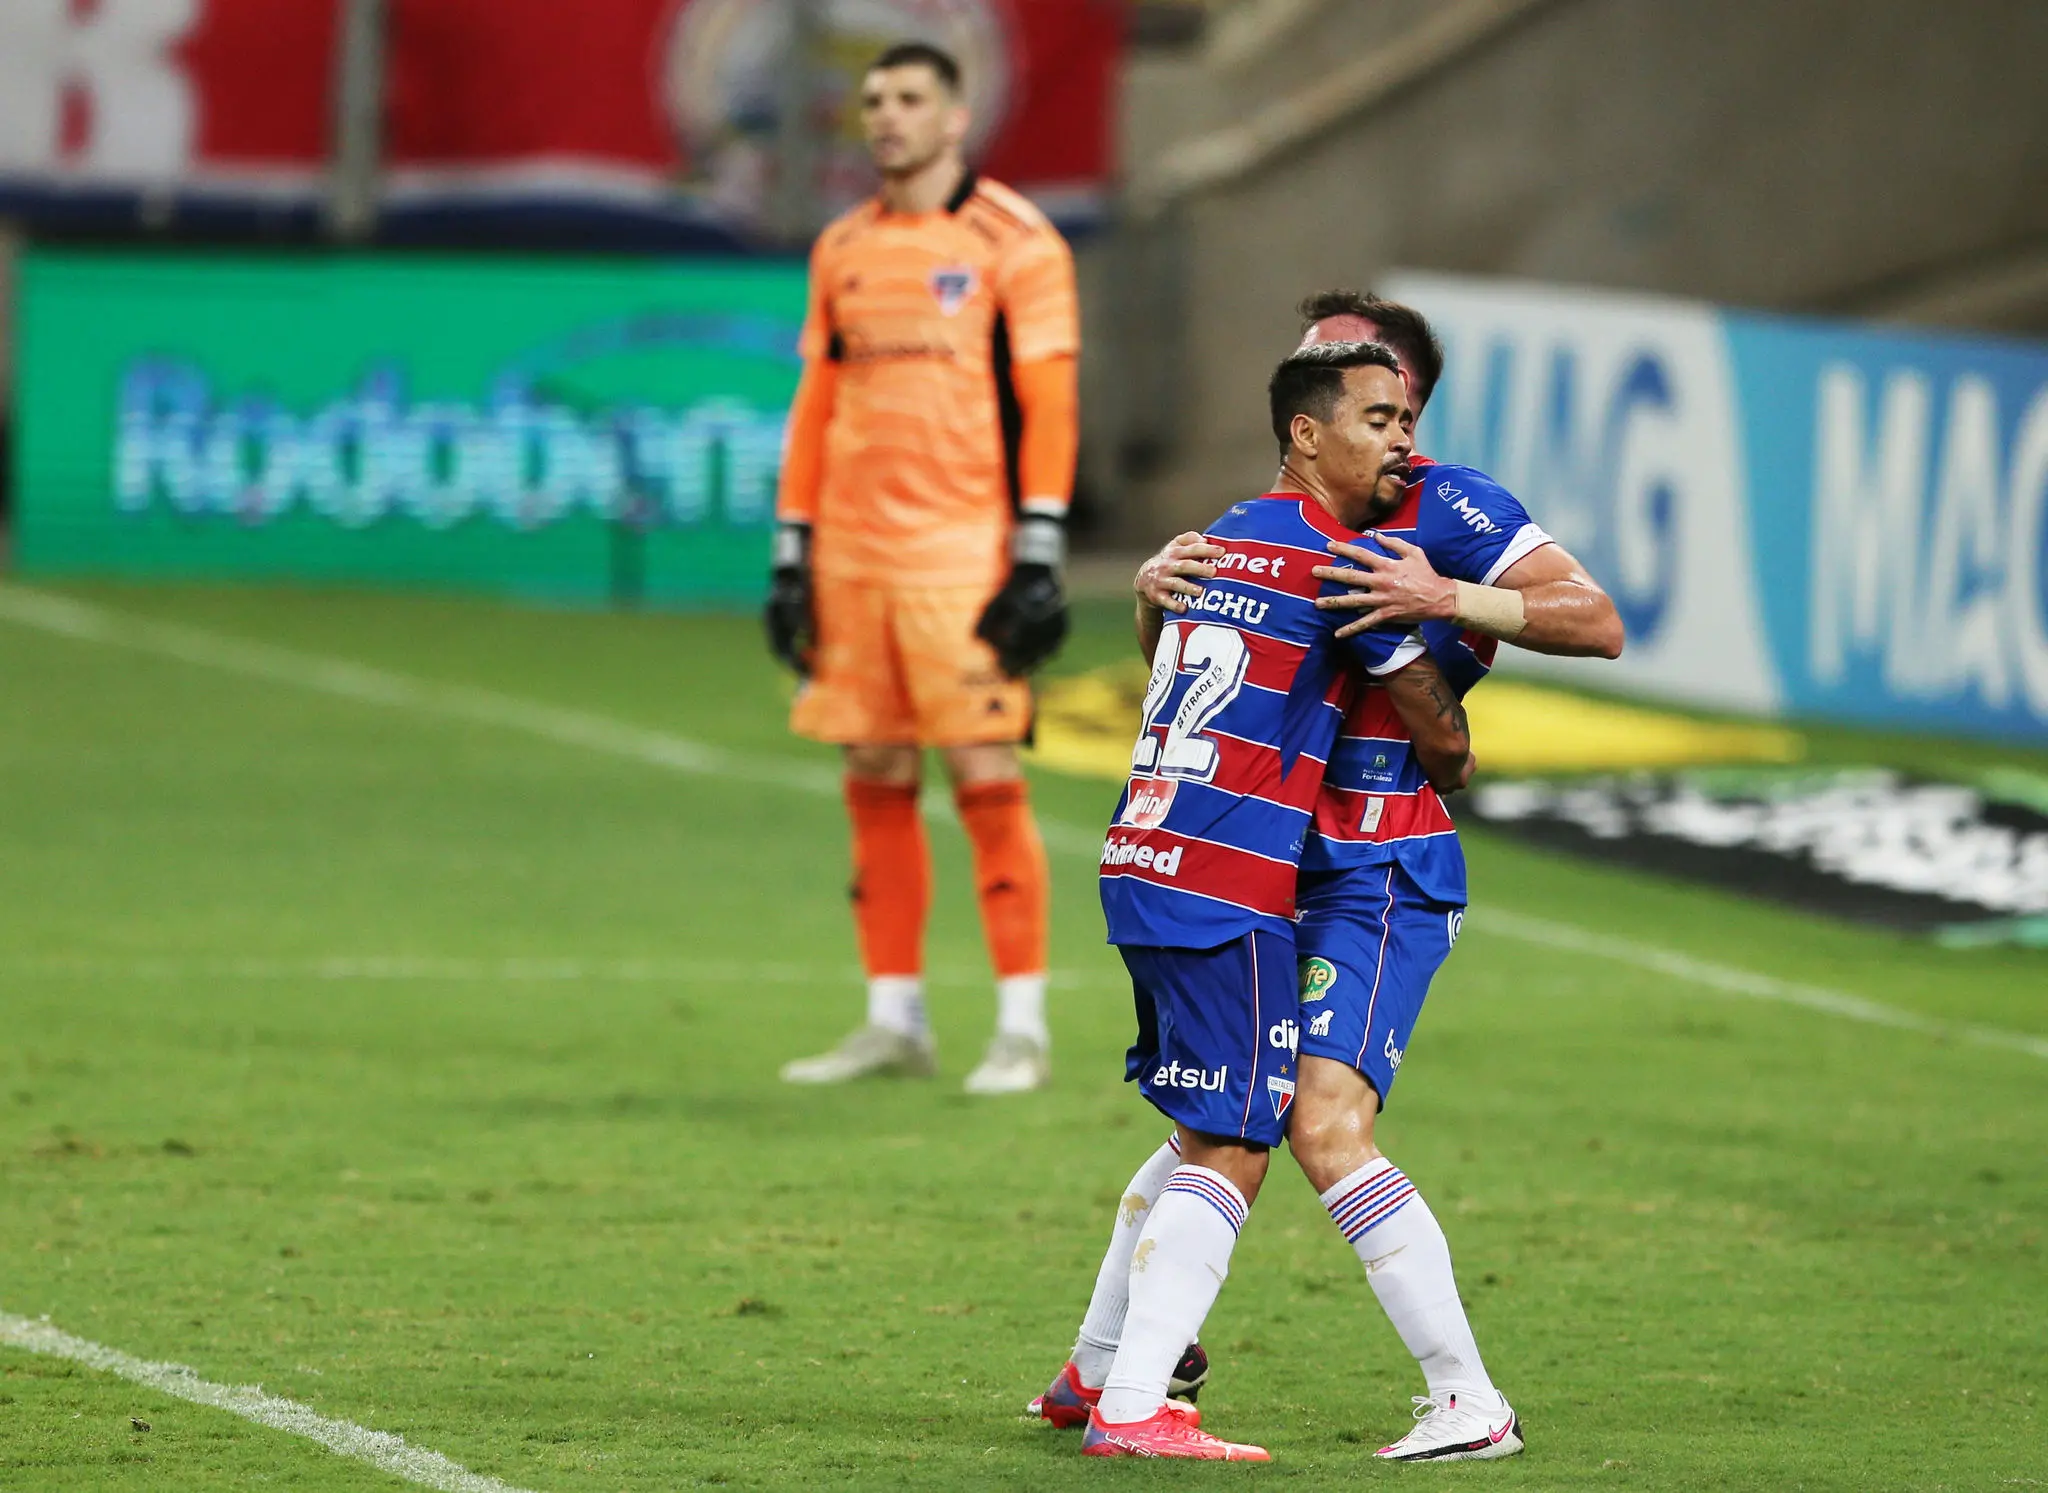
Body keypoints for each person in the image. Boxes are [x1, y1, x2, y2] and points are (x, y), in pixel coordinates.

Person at [1034, 290, 1623, 1463]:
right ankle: (1105, 1369)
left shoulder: (1444, 507)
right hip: (1266, 855)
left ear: (1408, 398)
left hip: (1373, 859)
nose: (1352, 398)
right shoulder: (1275, 527)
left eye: (1377, 388)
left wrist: (1438, 597)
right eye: (1318, 368)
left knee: (1304, 1121)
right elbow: (1202, 664)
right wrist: (1156, 599)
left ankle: (1463, 1397)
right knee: (1221, 1116)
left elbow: (1592, 622)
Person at [1081, 340, 1480, 1461]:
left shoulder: (1209, 543)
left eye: (1404, 419)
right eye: (1374, 417)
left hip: (1140, 854)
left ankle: (1099, 1373)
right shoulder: (1341, 566)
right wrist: (1428, 623)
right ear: (1304, 433)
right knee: (1237, 1145)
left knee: (1205, 1124)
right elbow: (1445, 751)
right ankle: (1133, 1407)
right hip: (1232, 878)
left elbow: (1167, 657)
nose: (1399, 439)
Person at [767, 41, 1081, 1095]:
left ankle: (1021, 1025)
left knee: (985, 777)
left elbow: (1047, 397)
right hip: (854, 555)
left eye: (907, 99)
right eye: (872, 100)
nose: (884, 117)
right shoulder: (842, 246)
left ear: (955, 119)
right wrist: (791, 546)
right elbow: (818, 403)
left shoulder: (1014, 241)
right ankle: (893, 1017)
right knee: (873, 773)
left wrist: (1037, 544)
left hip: (961, 553)